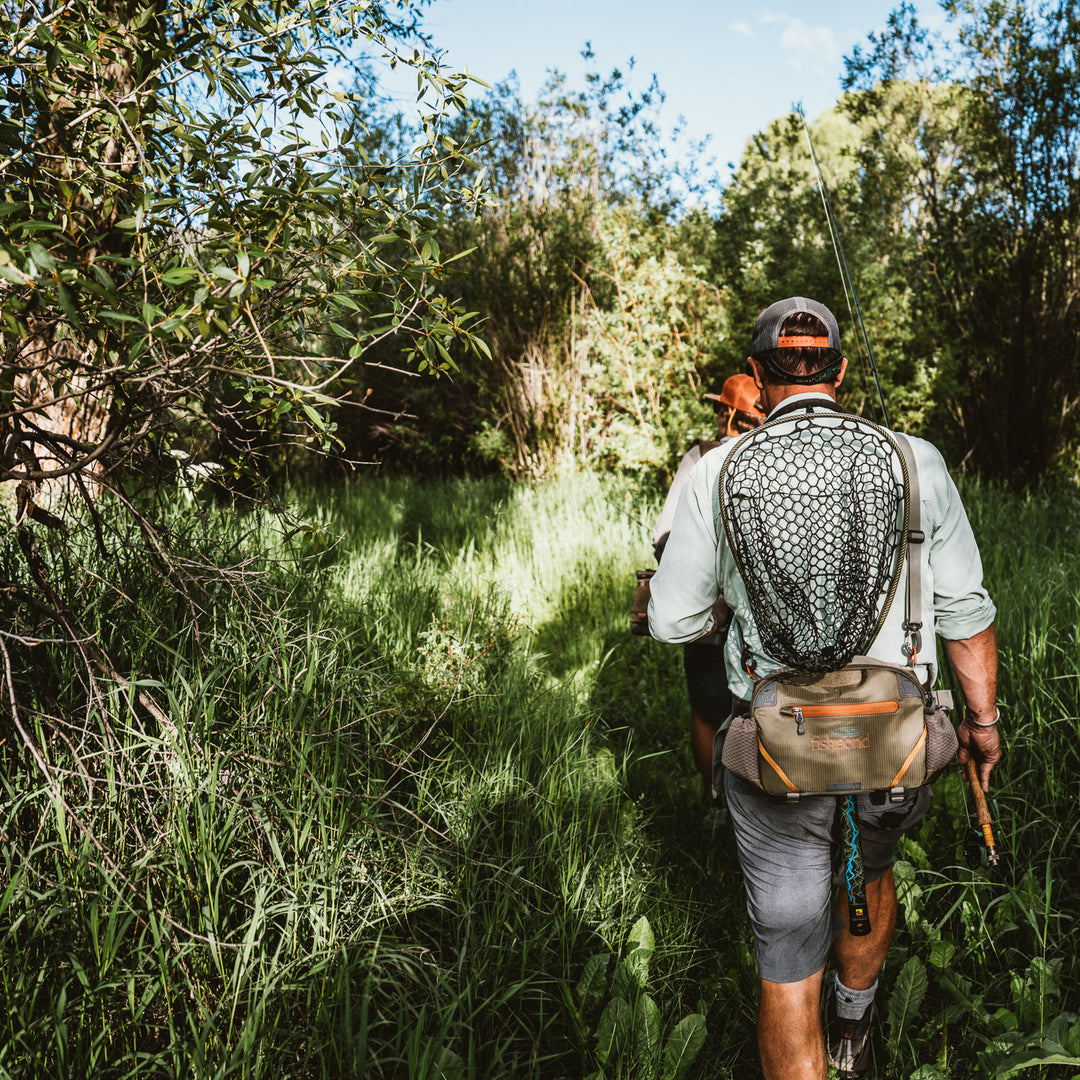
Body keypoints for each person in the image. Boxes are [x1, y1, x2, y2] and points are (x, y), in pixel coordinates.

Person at [647, 297, 1001, 1080]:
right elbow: (967, 615)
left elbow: (673, 624)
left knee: (785, 949)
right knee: (870, 877)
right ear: (838, 371)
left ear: (756, 375)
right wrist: (982, 723)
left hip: (778, 751)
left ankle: (817, 1025)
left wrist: (734, 598)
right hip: (895, 743)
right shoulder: (918, 461)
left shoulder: (716, 470)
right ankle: (853, 1031)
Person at [651, 375, 765, 798]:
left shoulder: (700, 457)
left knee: (705, 708)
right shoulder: (778, 457)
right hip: (767, 614)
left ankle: (714, 796)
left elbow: (665, 538)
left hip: (709, 615)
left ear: (728, 412)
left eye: (722, 407)